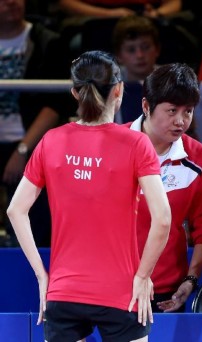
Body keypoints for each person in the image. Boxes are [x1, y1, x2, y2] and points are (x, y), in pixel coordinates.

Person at [6, 50, 171, 341]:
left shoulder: (51, 141)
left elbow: (15, 210)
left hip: (63, 292)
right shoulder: (137, 144)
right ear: (119, 90)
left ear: (74, 93)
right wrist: (143, 276)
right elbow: (163, 219)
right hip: (122, 292)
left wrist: (42, 276)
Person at [128, 63, 202, 312]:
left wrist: (191, 278)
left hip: (165, 291)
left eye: (188, 111)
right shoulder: (113, 147)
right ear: (146, 106)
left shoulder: (198, 158)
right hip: (110, 288)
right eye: (172, 110)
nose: (181, 121)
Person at [1, 0, 74, 247]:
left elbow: (56, 106)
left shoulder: (48, 42)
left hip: (34, 143)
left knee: (36, 224)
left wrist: (23, 150)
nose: (12, 2)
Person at [112, 15, 160, 124]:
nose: (140, 55)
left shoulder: (172, 82)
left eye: (145, 47)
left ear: (157, 49)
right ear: (119, 55)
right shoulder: (108, 86)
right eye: (131, 50)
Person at [59, 0, 182, 18]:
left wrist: (157, 13)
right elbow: (65, 3)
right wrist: (109, 14)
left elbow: (174, 2)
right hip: (96, 19)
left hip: (147, 18)